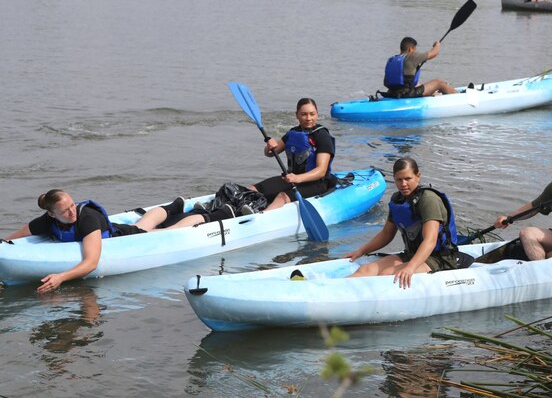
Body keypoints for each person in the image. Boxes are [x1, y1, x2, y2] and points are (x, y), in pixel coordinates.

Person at [4, 191, 236, 293]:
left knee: (169, 231)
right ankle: (174, 207)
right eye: (65, 211)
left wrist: (60, 277)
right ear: (51, 214)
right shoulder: (47, 220)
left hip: (124, 238)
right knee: (146, 225)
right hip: (123, 230)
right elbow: (22, 233)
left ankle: (215, 215)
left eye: (72, 205)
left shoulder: (86, 218)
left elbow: (92, 262)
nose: (72, 212)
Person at [343, 157, 460, 289]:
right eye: (399, 179)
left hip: (439, 259)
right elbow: (387, 234)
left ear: (418, 176)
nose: (403, 184)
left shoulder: (429, 199)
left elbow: (430, 241)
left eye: (408, 178)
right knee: (364, 271)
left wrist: (410, 268)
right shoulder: (398, 199)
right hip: (412, 254)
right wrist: (361, 251)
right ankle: (335, 291)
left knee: (386, 275)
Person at [244, 97, 336, 213]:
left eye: (312, 114)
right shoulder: (293, 133)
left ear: (317, 114)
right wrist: (269, 147)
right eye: (304, 114)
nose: (308, 118)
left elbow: (321, 170)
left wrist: (297, 178)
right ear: (297, 115)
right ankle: (233, 209)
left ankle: (261, 217)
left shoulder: (322, 136)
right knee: (253, 189)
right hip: (291, 179)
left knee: (282, 196)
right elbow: (271, 153)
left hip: (316, 183)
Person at [383, 36, 457, 98]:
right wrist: (437, 45)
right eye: (415, 49)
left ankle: (434, 93)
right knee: (439, 82)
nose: (415, 51)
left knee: (418, 84)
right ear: (410, 49)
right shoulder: (412, 56)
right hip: (407, 94)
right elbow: (434, 53)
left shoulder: (392, 59)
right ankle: (459, 97)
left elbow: (405, 81)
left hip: (391, 93)